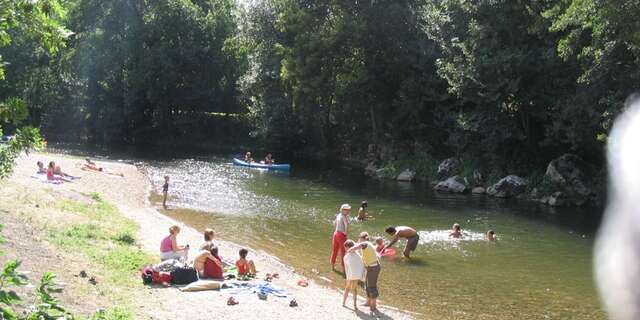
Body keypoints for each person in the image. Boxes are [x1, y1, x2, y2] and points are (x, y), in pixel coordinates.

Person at [347, 232, 381, 313]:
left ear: (362, 238)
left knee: (372, 286)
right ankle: (368, 302)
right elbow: (357, 245)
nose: (359, 240)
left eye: (359, 238)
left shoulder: (364, 244)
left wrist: (349, 250)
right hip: (371, 267)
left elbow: (354, 248)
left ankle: (373, 306)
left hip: (373, 268)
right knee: (367, 284)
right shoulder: (367, 244)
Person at [342, 240, 364, 311]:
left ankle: (344, 302)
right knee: (354, 289)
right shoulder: (358, 255)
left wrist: (346, 275)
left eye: (345, 248)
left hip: (350, 275)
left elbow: (346, 267)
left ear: (348, 247)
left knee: (347, 288)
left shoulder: (346, 256)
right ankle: (355, 305)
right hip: (356, 275)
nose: (345, 249)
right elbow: (361, 264)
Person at [330, 203, 351, 272]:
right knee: (343, 252)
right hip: (341, 235)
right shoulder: (344, 217)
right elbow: (346, 225)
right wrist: (345, 233)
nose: (348, 211)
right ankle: (343, 270)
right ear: (343, 210)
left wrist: (336, 230)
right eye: (347, 210)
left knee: (334, 250)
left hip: (335, 234)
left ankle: (332, 267)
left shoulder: (338, 215)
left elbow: (334, 223)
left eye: (348, 210)